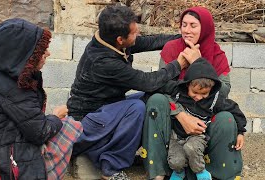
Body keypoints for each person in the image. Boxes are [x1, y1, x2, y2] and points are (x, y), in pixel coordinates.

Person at [66, 5, 196, 180]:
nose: (138, 35)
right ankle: (111, 168)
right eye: (134, 33)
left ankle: (128, 152)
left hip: (107, 110)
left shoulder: (110, 41)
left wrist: (181, 39)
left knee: (151, 101)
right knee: (136, 107)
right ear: (120, 39)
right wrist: (178, 65)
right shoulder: (103, 61)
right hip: (87, 123)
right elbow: (147, 82)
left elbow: (150, 42)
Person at [0, 18, 82, 180]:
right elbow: (40, 132)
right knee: (70, 126)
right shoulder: (16, 88)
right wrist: (56, 116)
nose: (47, 54)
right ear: (23, 55)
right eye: (41, 50)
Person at [143, 58, 246, 180]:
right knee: (176, 160)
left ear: (211, 89)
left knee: (191, 148)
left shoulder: (214, 100)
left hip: (198, 137)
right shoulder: (177, 90)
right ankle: (178, 172)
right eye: (195, 92)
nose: (198, 97)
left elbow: (234, 109)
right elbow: (157, 86)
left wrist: (240, 132)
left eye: (204, 94)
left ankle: (201, 172)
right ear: (188, 84)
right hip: (176, 137)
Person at [159, 6, 231, 97]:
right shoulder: (171, 48)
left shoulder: (216, 54)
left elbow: (224, 91)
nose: (186, 30)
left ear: (205, 29)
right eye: (184, 25)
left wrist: (199, 64)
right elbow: (161, 83)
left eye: (193, 26)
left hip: (207, 106)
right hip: (176, 103)